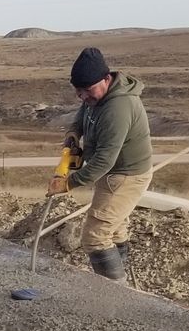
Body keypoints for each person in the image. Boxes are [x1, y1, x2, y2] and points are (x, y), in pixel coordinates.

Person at [47, 47, 153, 280]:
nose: (83, 97)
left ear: (106, 79)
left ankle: (114, 293)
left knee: (95, 236)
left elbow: (105, 160)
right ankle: (121, 280)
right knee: (113, 229)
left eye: (87, 91)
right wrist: (74, 133)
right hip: (113, 172)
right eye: (78, 92)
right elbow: (83, 113)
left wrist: (68, 183)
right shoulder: (97, 96)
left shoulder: (118, 107)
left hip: (126, 176)